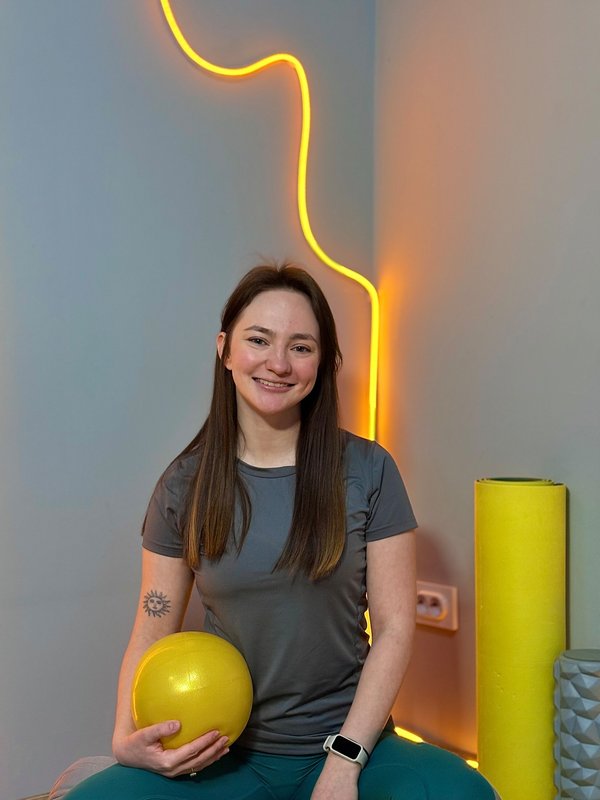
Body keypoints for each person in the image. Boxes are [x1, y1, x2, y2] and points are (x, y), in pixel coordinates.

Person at [62, 263, 497, 799]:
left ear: (323, 362)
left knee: (466, 793)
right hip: (221, 750)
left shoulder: (369, 470)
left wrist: (345, 761)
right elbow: (153, 627)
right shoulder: (184, 484)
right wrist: (123, 736)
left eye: (301, 347)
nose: (278, 363)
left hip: (349, 745)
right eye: (259, 339)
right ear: (225, 349)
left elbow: (394, 629)